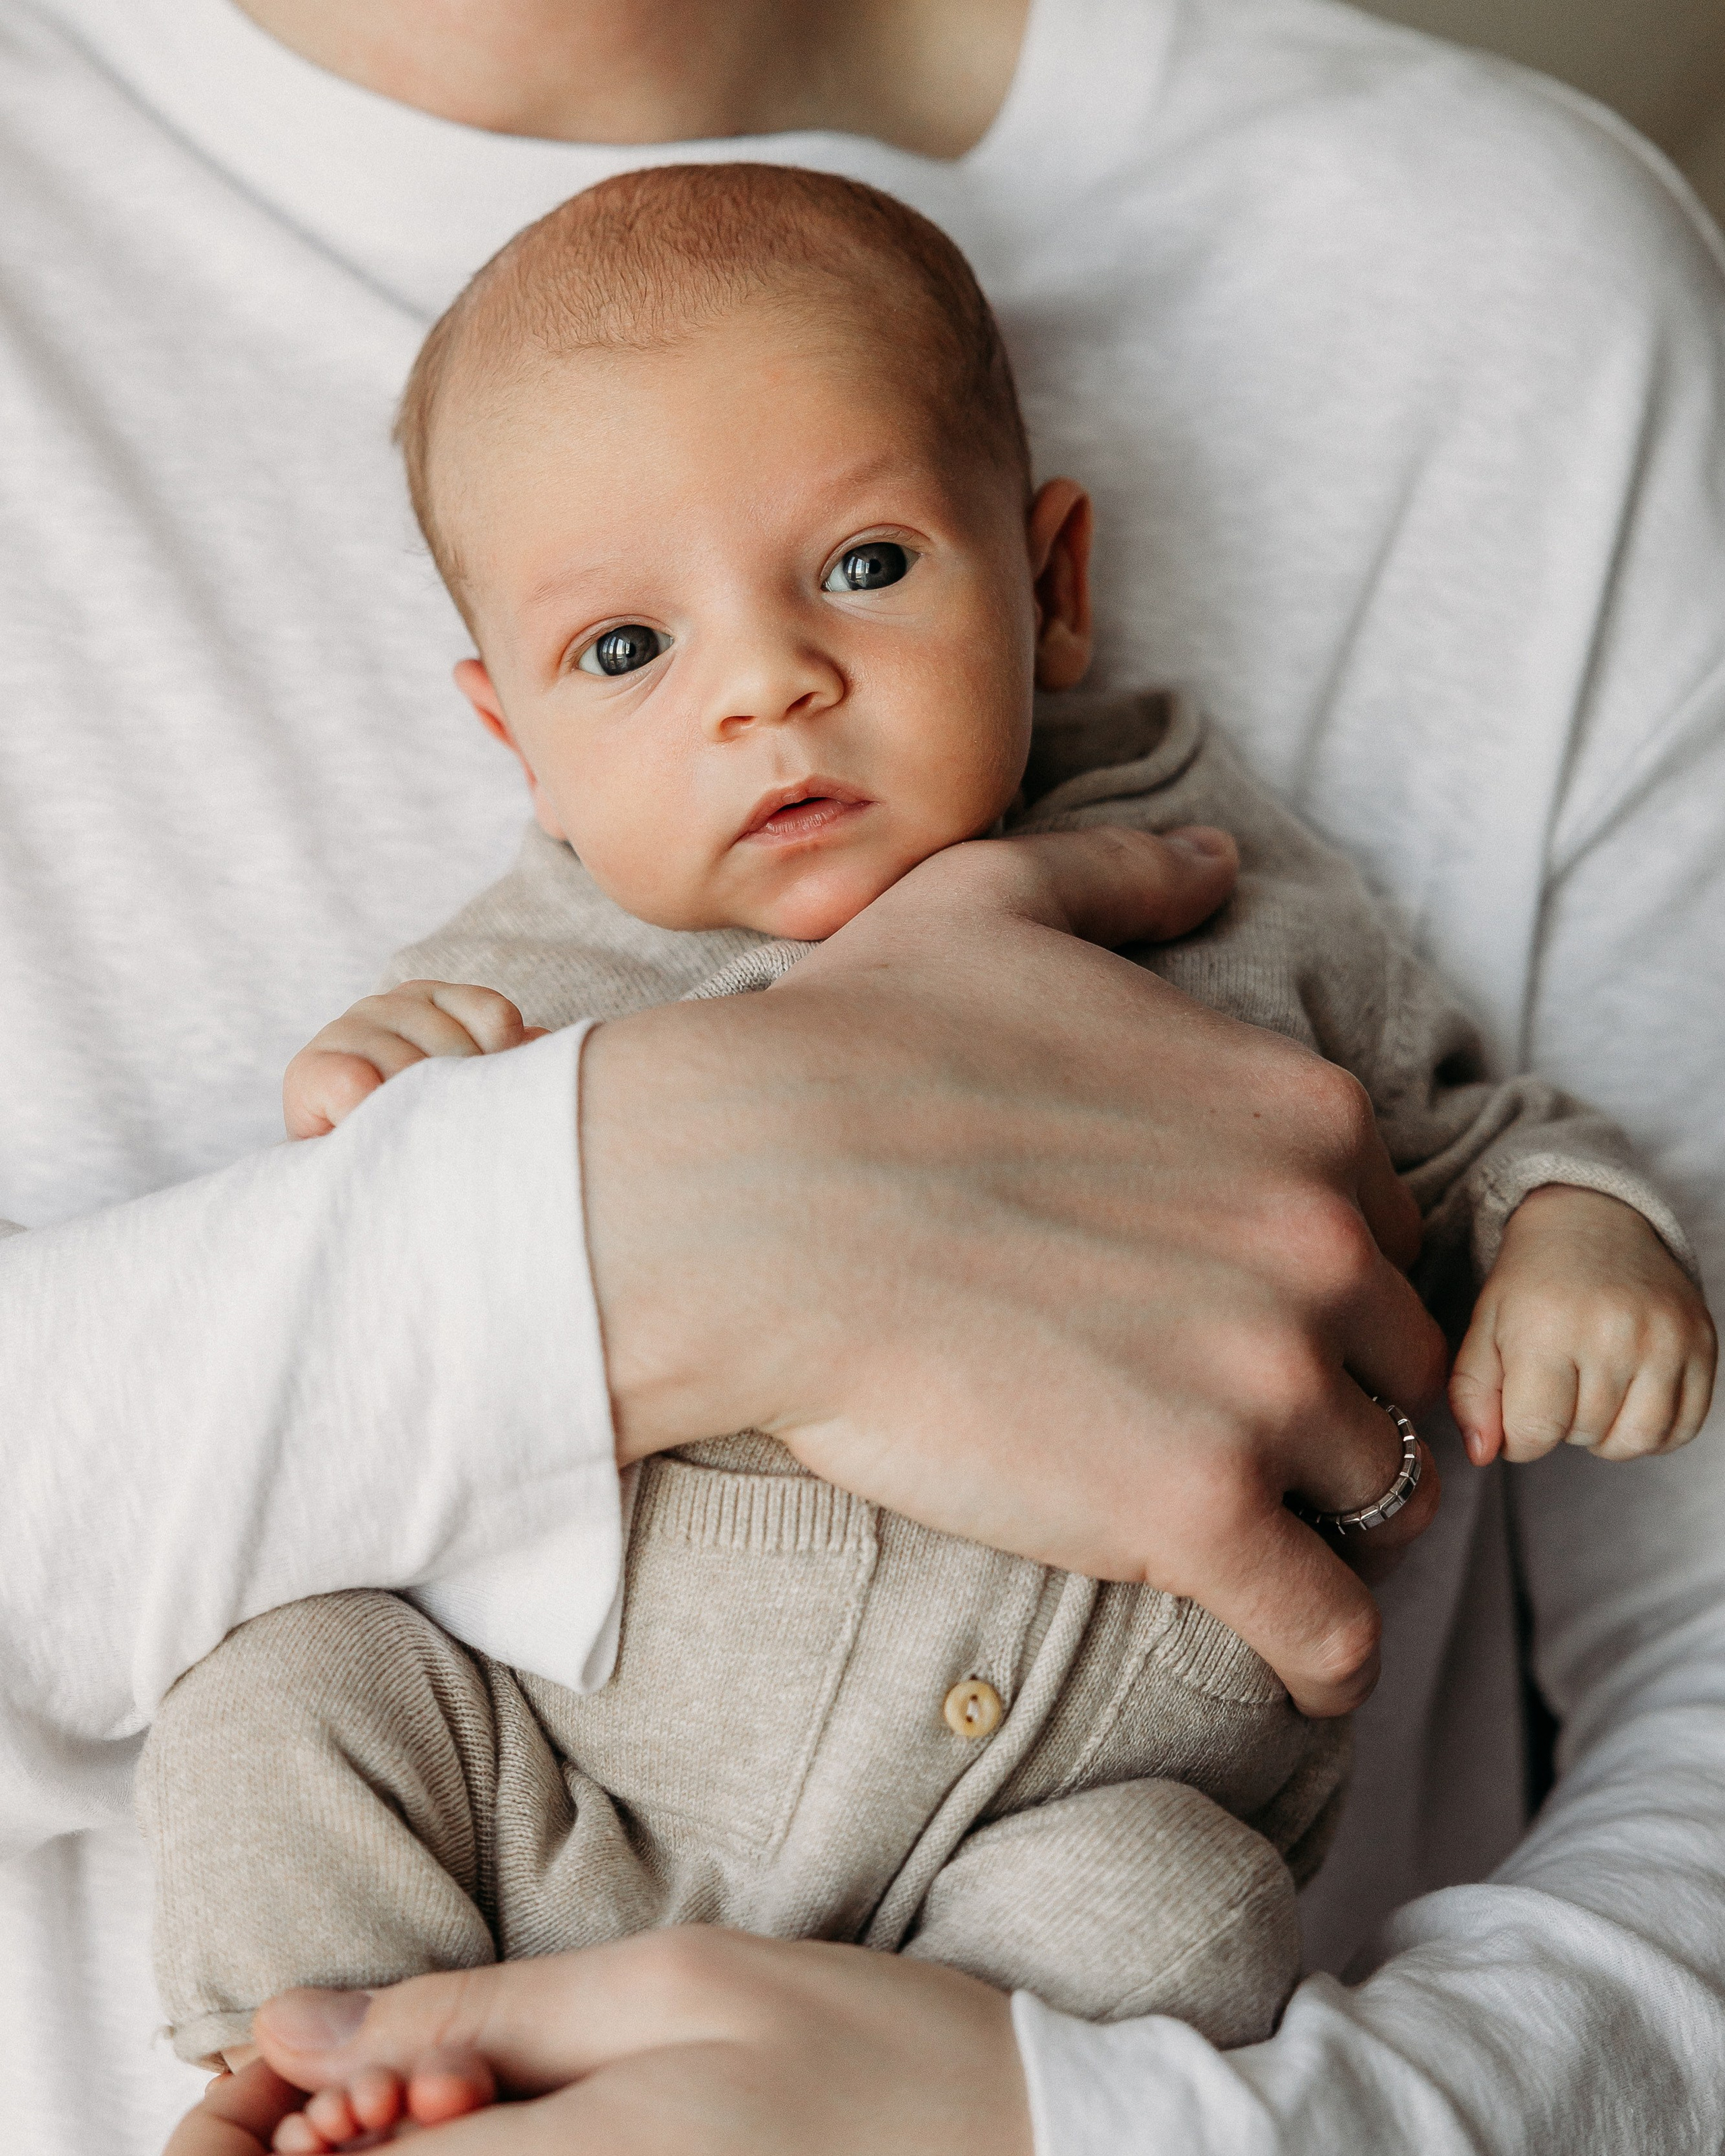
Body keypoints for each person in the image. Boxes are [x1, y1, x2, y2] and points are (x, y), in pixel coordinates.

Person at [0, 1, 1720, 2151]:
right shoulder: (539, 962)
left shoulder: (1251, 874)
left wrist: (1585, 1241)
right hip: (581, 1804)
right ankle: (324, 2054)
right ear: (509, 735)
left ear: (1056, 581)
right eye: (629, 654)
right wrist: (548, 1201)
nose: (771, 686)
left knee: (1176, 1912)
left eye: (870, 568)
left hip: (1050, 1896)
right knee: (293, 1704)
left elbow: (1474, 1137)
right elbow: (385, 1123)